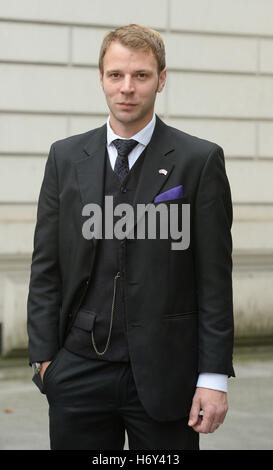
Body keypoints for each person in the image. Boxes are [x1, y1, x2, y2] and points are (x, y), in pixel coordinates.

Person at [27, 23, 235, 450]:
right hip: (77, 373)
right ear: (101, 78)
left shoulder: (199, 160)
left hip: (166, 377)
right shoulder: (65, 157)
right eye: (115, 75)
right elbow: (46, 267)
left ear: (161, 79)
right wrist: (45, 362)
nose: (127, 88)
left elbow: (214, 279)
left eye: (140, 75)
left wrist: (213, 378)